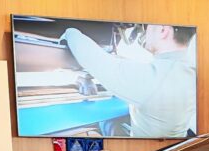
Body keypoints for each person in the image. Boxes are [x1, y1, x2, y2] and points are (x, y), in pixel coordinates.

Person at [61, 24, 196, 138]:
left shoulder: (153, 78)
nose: (145, 31)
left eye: (147, 26)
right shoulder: (188, 70)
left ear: (163, 30)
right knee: (112, 123)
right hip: (170, 146)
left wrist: (69, 31)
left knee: (101, 127)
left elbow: (94, 59)